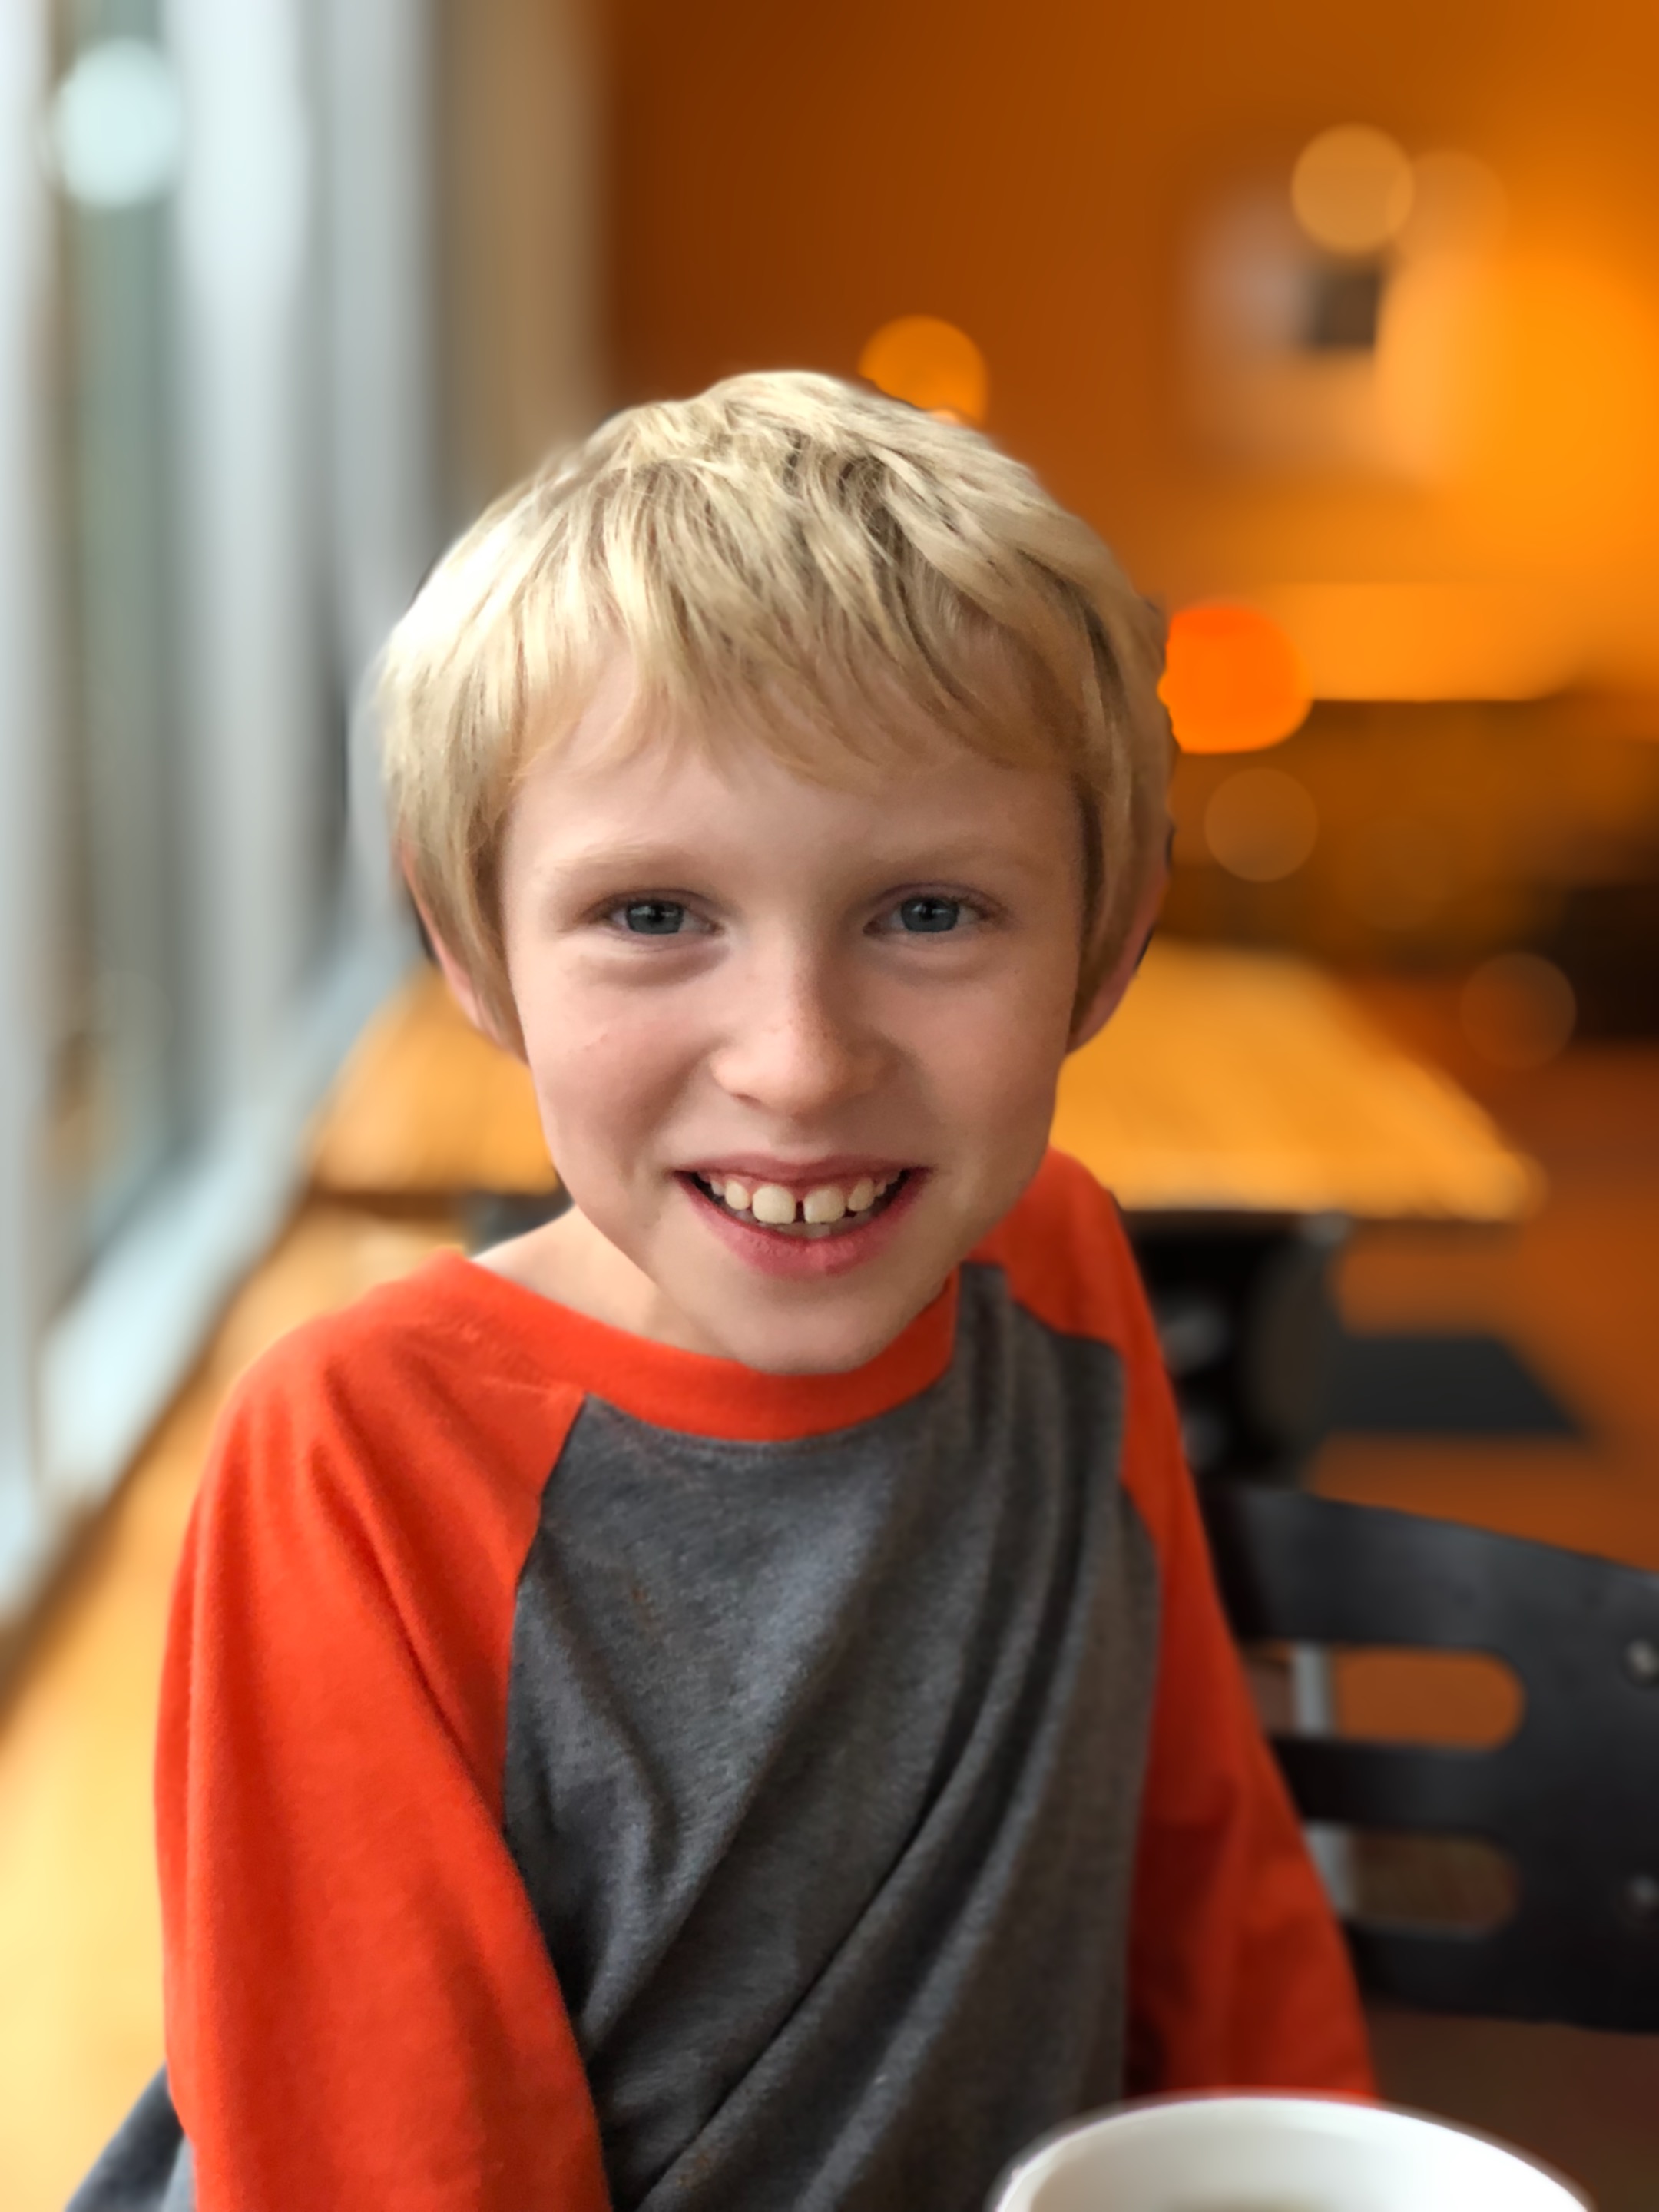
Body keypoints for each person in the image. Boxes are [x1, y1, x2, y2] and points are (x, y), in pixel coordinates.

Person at [73, 372, 1371, 2212]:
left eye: (929, 913)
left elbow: (1205, 1880)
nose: (799, 1061)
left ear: (1109, 938)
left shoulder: (1057, 1268)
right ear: (473, 946)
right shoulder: (362, 1456)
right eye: (655, 916)